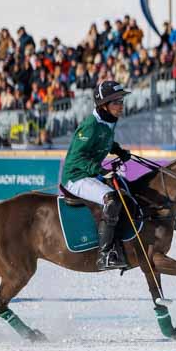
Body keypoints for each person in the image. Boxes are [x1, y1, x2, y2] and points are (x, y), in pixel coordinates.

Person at [61, 81, 133, 270]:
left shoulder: (109, 120)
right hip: (76, 176)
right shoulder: (90, 125)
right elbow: (77, 158)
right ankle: (105, 255)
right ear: (104, 105)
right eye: (117, 102)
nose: (121, 106)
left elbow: (105, 141)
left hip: (90, 173)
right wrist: (101, 171)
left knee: (127, 191)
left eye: (122, 101)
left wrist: (118, 150)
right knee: (112, 200)